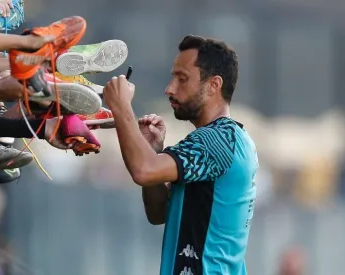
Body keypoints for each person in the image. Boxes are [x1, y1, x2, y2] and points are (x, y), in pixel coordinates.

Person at [103, 35, 258, 275]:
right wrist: (154, 151)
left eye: (182, 79)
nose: (169, 88)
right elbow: (158, 213)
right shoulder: (233, 138)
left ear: (214, 85)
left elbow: (143, 170)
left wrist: (121, 106)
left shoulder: (217, 140)